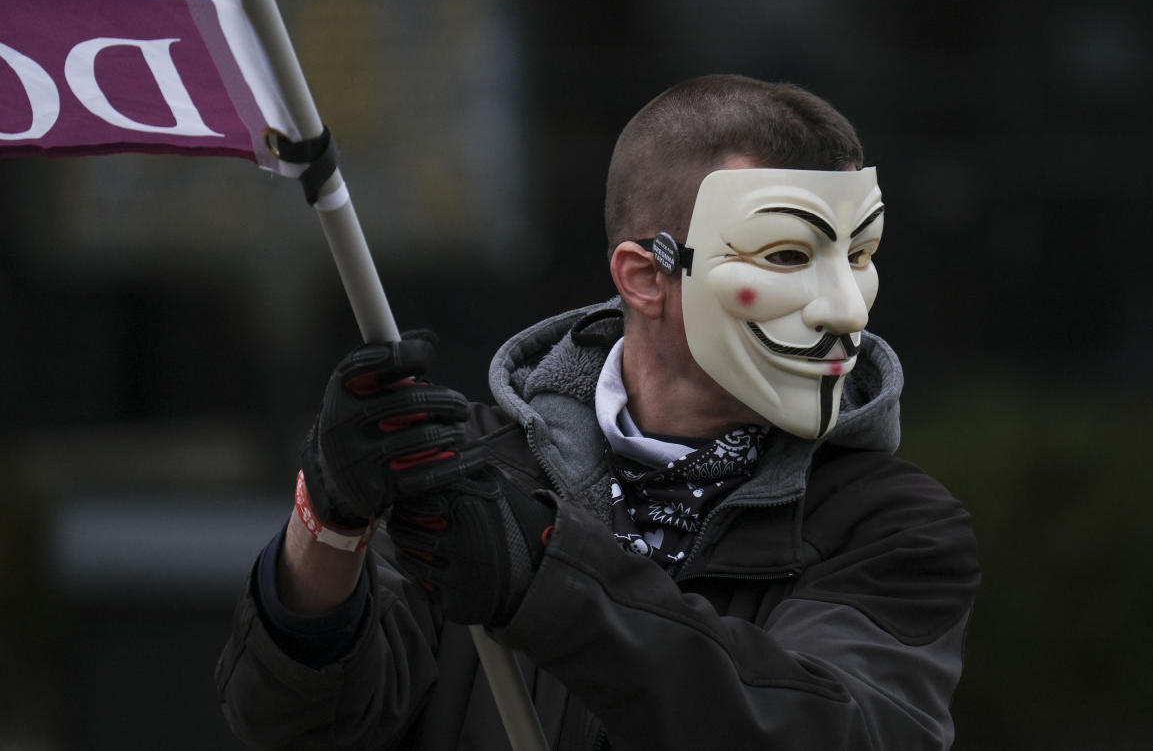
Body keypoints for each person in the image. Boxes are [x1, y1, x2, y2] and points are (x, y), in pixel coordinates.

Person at [215, 73, 980, 750]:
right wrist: (331, 523)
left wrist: (548, 579)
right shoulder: (469, 471)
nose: (846, 309)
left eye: (858, 255)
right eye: (786, 256)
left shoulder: (891, 526)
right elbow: (292, 724)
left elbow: (838, 734)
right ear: (645, 278)